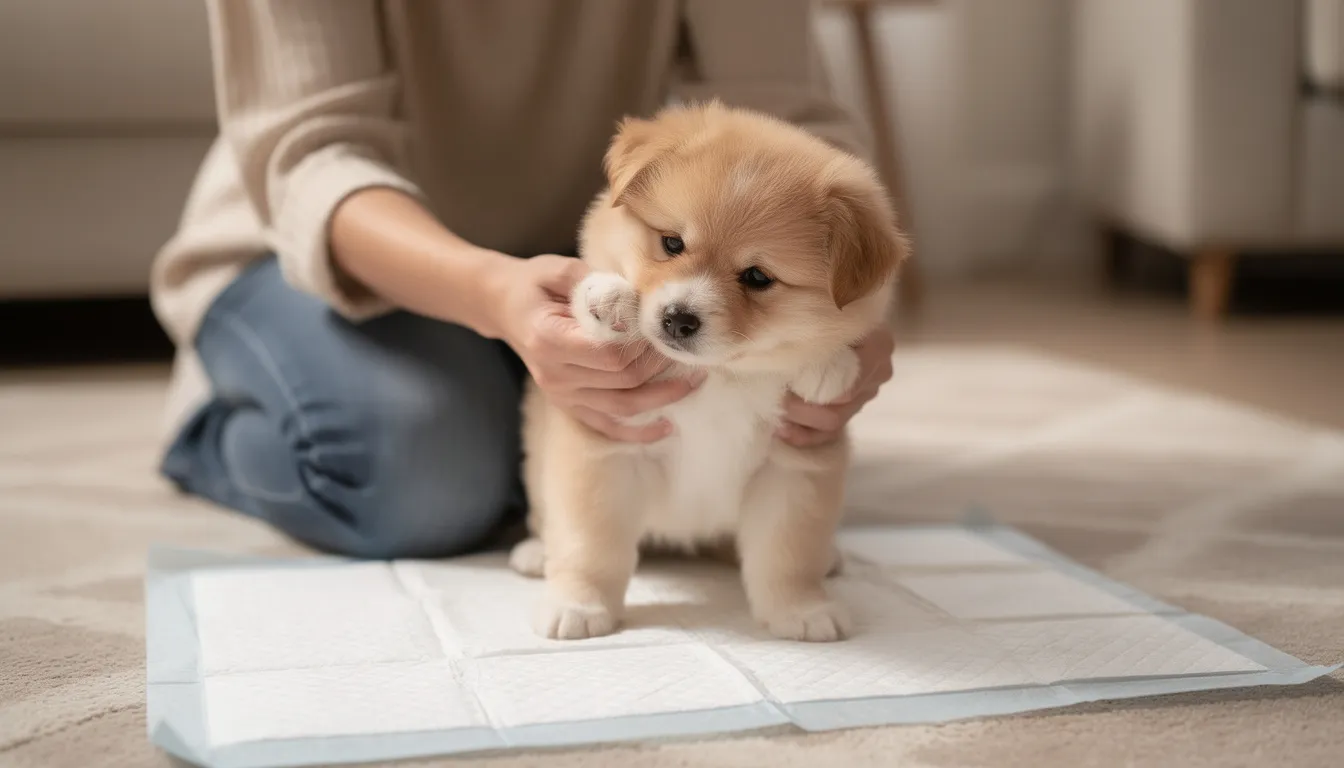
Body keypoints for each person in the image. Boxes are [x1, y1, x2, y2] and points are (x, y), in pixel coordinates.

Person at [151, 0, 897, 560]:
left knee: (724, 449)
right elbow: (315, 153)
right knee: (427, 481)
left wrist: (839, 308)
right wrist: (488, 294)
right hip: (322, 250)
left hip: (588, 266)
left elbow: (787, 118)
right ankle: (210, 426)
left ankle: (494, 410)